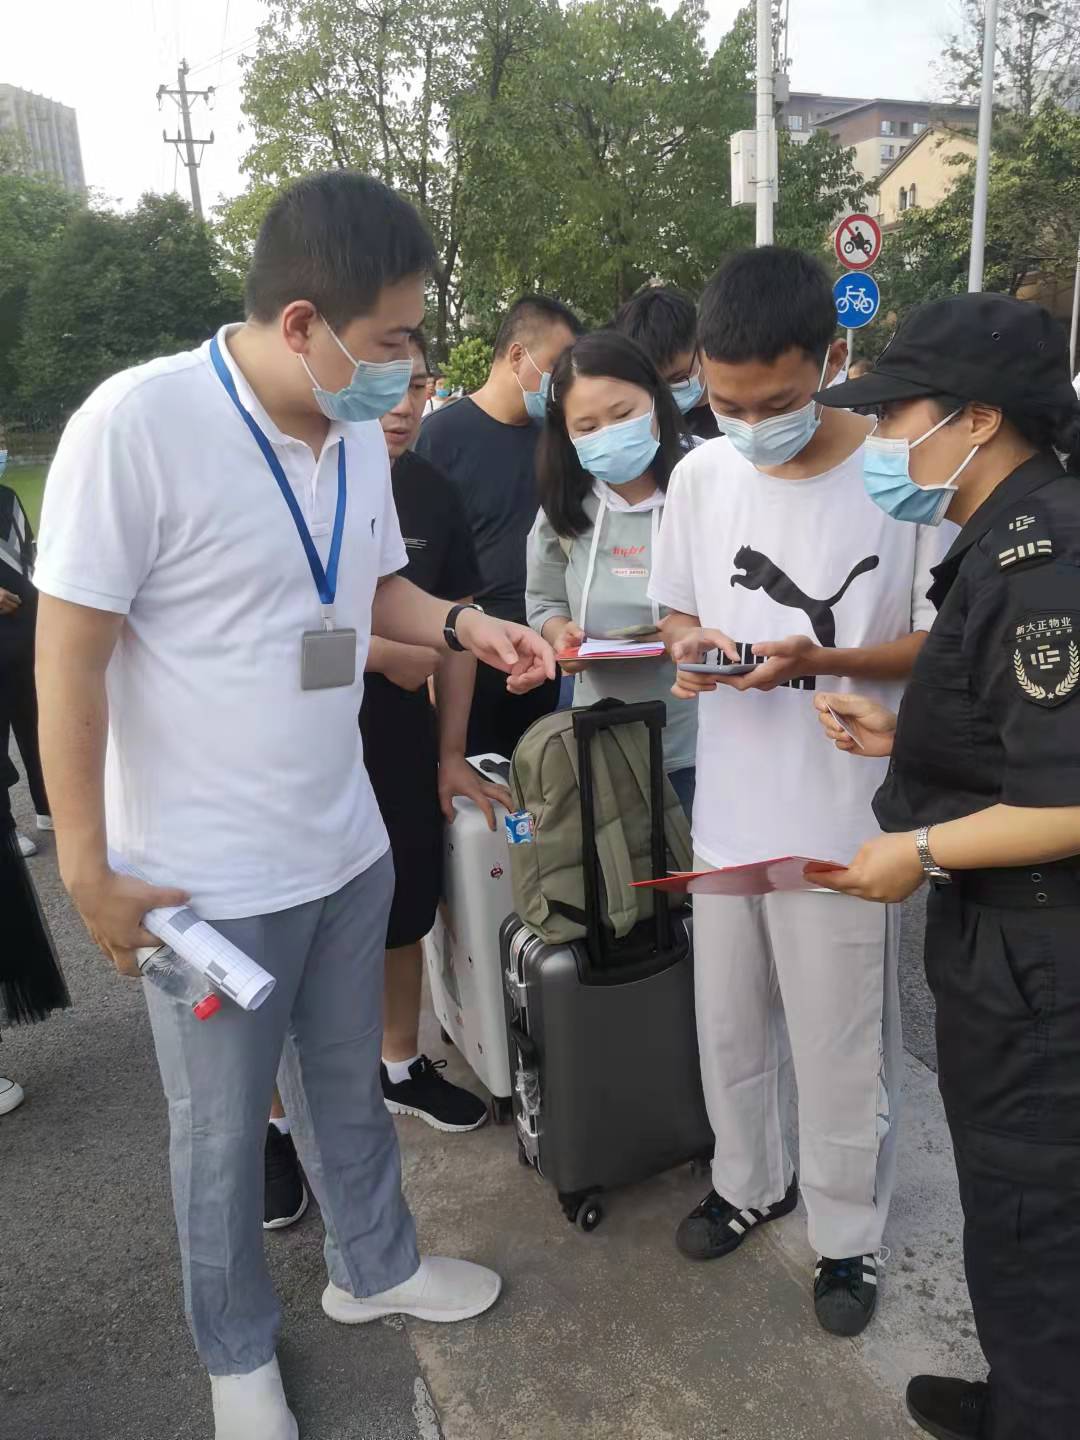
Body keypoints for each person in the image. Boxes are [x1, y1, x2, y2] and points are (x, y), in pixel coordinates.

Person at [33, 170, 555, 1440]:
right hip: (202, 881)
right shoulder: (138, 424)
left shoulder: (349, 434)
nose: (407, 370)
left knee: (347, 1088)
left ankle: (375, 1268)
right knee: (219, 1139)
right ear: (305, 322)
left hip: (342, 843)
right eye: (392, 340)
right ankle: (236, 1354)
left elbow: (368, 592)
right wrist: (87, 869)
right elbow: (69, 658)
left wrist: (467, 625)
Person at [649, 246, 942, 1338]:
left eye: (773, 402)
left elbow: (937, 641)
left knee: (840, 1042)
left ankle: (848, 1234)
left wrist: (822, 661)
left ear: (830, 358)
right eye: (724, 404)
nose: (748, 425)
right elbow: (676, 611)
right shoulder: (699, 476)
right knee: (729, 1026)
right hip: (730, 810)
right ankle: (748, 1182)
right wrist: (695, 649)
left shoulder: (899, 479)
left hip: (846, 817)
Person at [812, 293, 1080, 1440]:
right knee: (1015, 1211)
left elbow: (1068, 798)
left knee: (1036, 1220)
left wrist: (913, 850)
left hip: (1039, 960)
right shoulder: (1008, 534)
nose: (879, 440)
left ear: (977, 419)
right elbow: (1009, 734)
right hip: (1007, 943)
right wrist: (905, 736)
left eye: (894, 415)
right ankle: (1023, 1395)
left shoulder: (1042, 557)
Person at [263, 329, 508, 1230]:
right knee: (279, 939)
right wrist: (383, 655)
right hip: (291, 746)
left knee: (405, 907)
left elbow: (456, 630)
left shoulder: (427, 489)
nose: (404, 406)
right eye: (388, 384)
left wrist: (451, 751)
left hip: (399, 740)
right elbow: (270, 638)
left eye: (418, 385)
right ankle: (270, 1125)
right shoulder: (292, 476)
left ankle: (399, 1064)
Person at [525, 330, 697, 813]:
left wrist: (691, 631)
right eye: (587, 426)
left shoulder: (701, 488)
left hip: (696, 740)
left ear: (655, 400)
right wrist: (560, 635)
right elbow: (543, 600)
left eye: (622, 415)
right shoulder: (565, 507)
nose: (609, 434)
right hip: (598, 734)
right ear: (566, 433)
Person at [414, 294, 582, 757]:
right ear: (517, 355)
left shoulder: (557, 441)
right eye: (556, 366)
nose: (561, 383)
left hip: (545, 651)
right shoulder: (439, 437)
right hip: (468, 651)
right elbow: (422, 561)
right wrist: (434, 666)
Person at [0, 482, 51, 856]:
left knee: (40, 726)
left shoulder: (7, 497)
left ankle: (49, 806)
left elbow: (30, 558)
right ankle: (4, 827)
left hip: (29, 635)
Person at [613, 285, 719, 443]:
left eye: (678, 379)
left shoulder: (738, 409)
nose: (668, 393)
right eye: (654, 384)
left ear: (699, 344)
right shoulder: (647, 427)